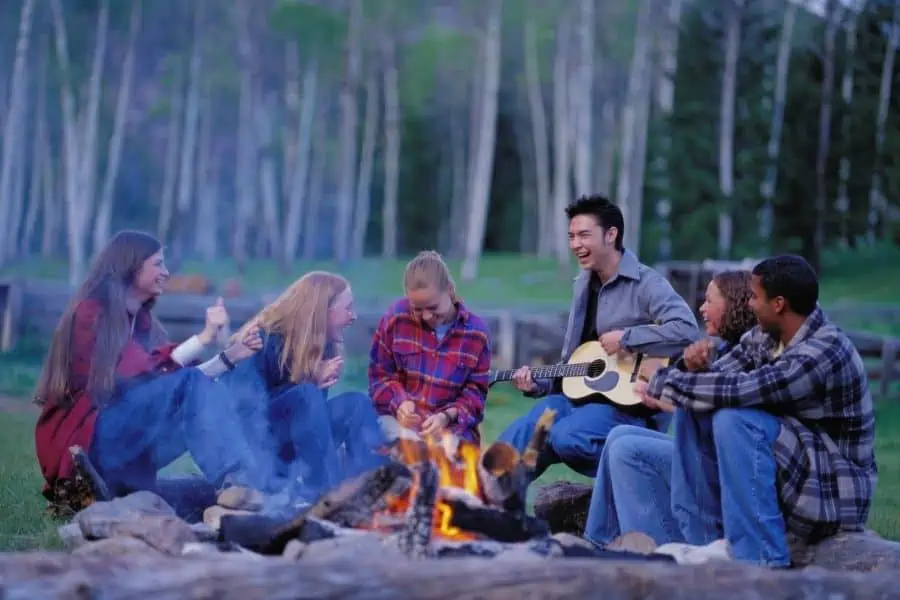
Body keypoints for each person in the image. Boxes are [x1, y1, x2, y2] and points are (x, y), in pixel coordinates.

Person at [636, 255, 877, 567]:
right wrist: (690, 369)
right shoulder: (766, 336)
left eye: (753, 296)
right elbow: (718, 377)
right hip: (793, 467)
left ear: (778, 304)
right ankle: (707, 543)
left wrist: (660, 383)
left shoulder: (824, 350)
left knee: (734, 418)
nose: (748, 304)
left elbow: (743, 389)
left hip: (831, 491)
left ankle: (761, 561)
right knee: (696, 408)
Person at [33, 230, 265, 512]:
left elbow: (177, 383)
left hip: (120, 445)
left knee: (207, 391)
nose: (166, 272)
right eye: (158, 263)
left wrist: (230, 357)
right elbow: (145, 371)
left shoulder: (141, 321)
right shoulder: (89, 312)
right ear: (130, 265)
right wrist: (204, 338)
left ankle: (238, 483)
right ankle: (238, 481)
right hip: (88, 448)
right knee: (192, 384)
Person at [496, 195, 700, 480]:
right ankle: (490, 495)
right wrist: (536, 384)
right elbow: (578, 364)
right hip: (584, 401)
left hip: (633, 409)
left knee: (565, 436)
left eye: (584, 235)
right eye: (571, 236)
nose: (575, 244)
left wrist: (628, 338)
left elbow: (687, 330)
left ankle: (644, 469)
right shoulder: (583, 284)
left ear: (611, 235)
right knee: (535, 423)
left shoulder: (647, 283)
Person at [584, 270, 756, 547]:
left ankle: (650, 552)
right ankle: (598, 542)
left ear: (734, 304)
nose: (701, 308)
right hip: (704, 456)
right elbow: (700, 405)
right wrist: (671, 394)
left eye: (710, 301)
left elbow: (713, 409)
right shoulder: (723, 348)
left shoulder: (747, 354)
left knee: (626, 451)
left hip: (717, 470)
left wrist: (663, 387)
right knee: (618, 435)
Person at [223, 271, 388, 502]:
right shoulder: (261, 340)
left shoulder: (320, 346)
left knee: (356, 405)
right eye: (348, 308)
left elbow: (311, 426)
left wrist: (311, 383)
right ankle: (328, 495)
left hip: (292, 451)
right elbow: (243, 416)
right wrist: (308, 382)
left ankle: (374, 491)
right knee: (305, 395)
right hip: (257, 455)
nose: (354, 316)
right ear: (322, 310)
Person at [369, 250, 492, 445]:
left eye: (433, 308)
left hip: (449, 433)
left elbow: (475, 393)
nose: (426, 316)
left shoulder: (477, 333)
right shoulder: (395, 318)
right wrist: (400, 403)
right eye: (417, 309)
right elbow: (379, 376)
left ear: (450, 290)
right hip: (398, 428)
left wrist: (446, 417)